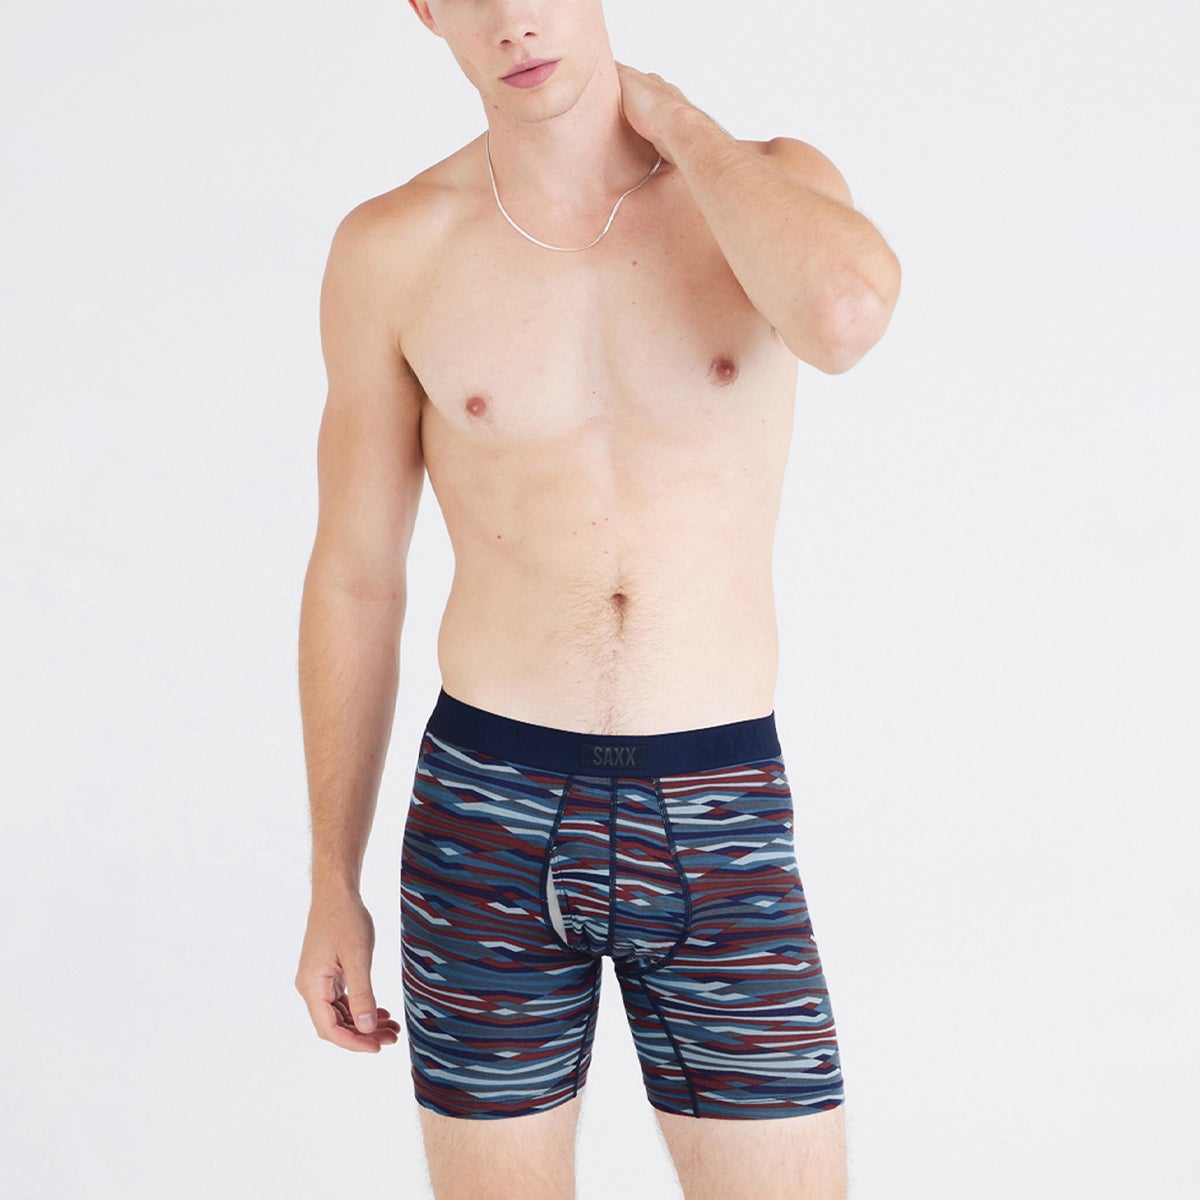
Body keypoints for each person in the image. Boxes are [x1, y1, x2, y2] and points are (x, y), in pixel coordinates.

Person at [294, 2, 900, 1197]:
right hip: (487, 810)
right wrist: (329, 877)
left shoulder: (763, 186)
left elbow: (843, 321)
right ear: (425, 11)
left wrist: (681, 126)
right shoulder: (394, 246)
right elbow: (356, 574)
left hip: (717, 804)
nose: (513, 22)